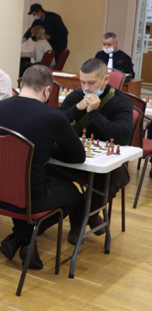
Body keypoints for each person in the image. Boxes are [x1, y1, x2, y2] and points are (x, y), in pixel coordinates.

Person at [0, 65, 86, 269]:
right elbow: (78, 156)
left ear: (21, 84)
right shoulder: (52, 116)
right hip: (27, 198)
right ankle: (23, 238)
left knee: (23, 183)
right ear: (47, 90)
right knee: (75, 195)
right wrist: (46, 148)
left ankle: (19, 238)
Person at [59, 58, 133, 229]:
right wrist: (76, 109)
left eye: (91, 83)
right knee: (47, 165)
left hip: (105, 158)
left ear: (105, 79)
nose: (86, 88)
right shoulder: (77, 96)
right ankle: (88, 216)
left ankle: (78, 219)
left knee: (118, 175)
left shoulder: (120, 101)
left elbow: (123, 137)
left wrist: (94, 114)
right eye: (83, 82)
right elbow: (54, 122)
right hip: (76, 155)